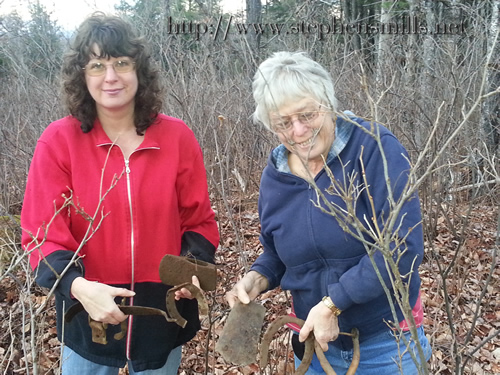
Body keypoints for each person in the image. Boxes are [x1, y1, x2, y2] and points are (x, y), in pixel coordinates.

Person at [21, 13, 219, 374]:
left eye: (121, 63)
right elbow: (41, 235)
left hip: (162, 315)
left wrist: (192, 268)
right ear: (82, 75)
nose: (110, 77)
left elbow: (199, 220)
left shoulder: (176, 138)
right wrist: (78, 287)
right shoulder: (59, 142)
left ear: (138, 70)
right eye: (96, 65)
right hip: (87, 318)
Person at [226, 51, 432, 374]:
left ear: (328, 103)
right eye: (283, 123)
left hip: (386, 342)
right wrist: (258, 277)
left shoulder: (373, 149)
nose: (298, 131)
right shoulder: (275, 177)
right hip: (312, 347)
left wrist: (334, 302)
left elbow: (402, 248)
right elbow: (277, 252)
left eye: (307, 115)